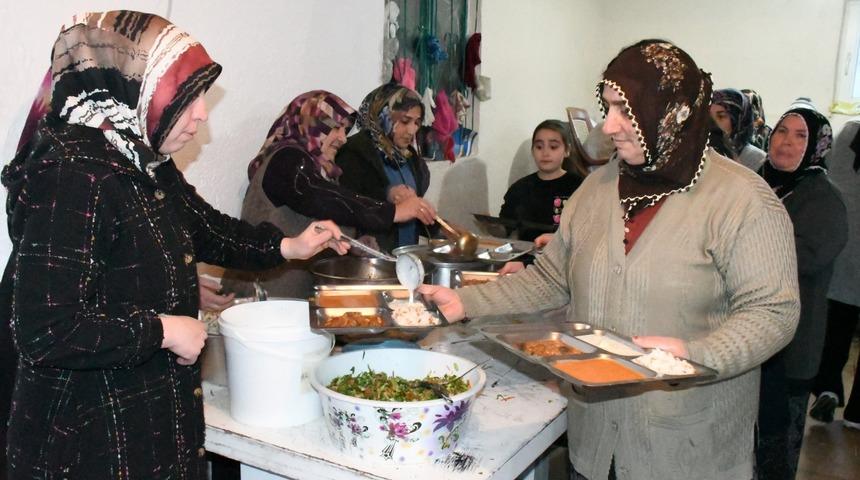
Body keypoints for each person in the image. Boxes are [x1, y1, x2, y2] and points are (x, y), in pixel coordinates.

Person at [419, 40, 799, 480]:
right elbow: (550, 277)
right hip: (596, 444)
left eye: (626, 109)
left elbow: (774, 312)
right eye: (609, 107)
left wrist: (697, 355)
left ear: (671, 111)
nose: (609, 125)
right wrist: (466, 302)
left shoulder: (742, 200)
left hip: (685, 450)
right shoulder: (596, 189)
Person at [0, 11, 348, 479]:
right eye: (186, 98)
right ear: (129, 87)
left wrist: (288, 246)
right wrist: (162, 329)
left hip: (141, 424)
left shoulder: (140, 160)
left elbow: (206, 228)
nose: (202, 114)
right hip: (87, 443)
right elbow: (46, 328)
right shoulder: (71, 175)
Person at [221, 90, 435, 298]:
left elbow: (325, 214)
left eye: (345, 130)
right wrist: (393, 212)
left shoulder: (321, 168)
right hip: (259, 298)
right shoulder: (286, 159)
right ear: (311, 124)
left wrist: (356, 241)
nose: (342, 138)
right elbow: (322, 199)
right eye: (336, 128)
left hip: (292, 296)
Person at [755, 107, 848, 479]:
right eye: (781, 131)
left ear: (817, 146)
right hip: (745, 335)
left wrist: (743, 245)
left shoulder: (823, 198)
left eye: (800, 136)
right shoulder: (756, 182)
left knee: (778, 443)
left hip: (792, 341)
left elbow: (803, 258)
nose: (786, 143)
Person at [336, 83, 437, 251]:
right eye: (404, 121)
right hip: (368, 257)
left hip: (405, 259)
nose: (412, 130)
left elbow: (411, 211)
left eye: (417, 122)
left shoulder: (410, 158)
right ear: (382, 116)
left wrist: (441, 228)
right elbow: (349, 202)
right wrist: (388, 194)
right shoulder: (354, 153)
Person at [810, 120, 860, 429]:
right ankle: (857, 412)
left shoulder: (849, 134)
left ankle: (827, 388)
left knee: (836, 330)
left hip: (844, 248)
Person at [499, 120, 583, 242]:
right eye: (539, 147)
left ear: (567, 150)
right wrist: (490, 226)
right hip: (526, 256)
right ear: (532, 151)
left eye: (553, 147)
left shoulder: (580, 186)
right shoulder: (519, 188)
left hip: (566, 256)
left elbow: (590, 230)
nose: (545, 153)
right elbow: (505, 229)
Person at [710, 88, 767, 171]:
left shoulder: (758, 160)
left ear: (738, 119)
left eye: (721, 116)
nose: (712, 122)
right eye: (709, 116)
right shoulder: (699, 152)